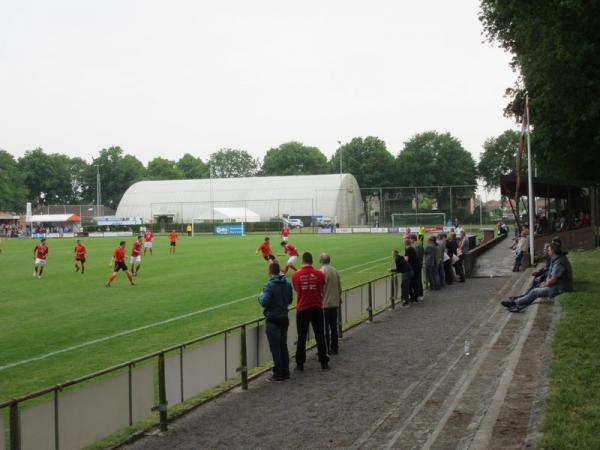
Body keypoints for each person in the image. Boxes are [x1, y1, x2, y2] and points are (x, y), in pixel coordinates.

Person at [502, 242, 572, 312]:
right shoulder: (557, 259)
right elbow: (551, 274)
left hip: (560, 288)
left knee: (535, 292)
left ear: (553, 251)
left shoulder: (559, 263)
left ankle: (515, 303)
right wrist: (545, 282)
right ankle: (517, 306)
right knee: (535, 289)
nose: (547, 251)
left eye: (549, 250)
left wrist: (545, 284)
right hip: (557, 286)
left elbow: (553, 279)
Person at [292, 252, 329, 371]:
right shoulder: (320, 274)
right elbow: (322, 287)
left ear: (302, 261)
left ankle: (300, 364)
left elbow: (297, 289)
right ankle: (323, 362)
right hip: (317, 308)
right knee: (320, 336)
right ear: (312, 261)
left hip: (302, 308)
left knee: (302, 337)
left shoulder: (295, 275)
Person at [259, 261, 293, 382]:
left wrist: (260, 296)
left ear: (270, 272)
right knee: (283, 346)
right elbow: (290, 300)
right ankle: (286, 372)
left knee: (276, 348)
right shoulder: (287, 284)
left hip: (273, 319)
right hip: (284, 318)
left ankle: (278, 373)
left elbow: (264, 302)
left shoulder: (269, 285)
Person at [320, 253, 342, 355]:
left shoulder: (321, 272)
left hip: (325, 304)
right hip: (335, 303)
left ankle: (327, 349)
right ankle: (335, 348)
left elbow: (320, 289)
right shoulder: (335, 270)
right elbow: (339, 287)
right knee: (334, 327)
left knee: (325, 328)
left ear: (321, 261)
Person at [412, 234, 424, 299]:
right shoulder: (420, 245)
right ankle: (420, 294)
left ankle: (418, 295)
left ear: (413, 239)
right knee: (419, 279)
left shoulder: (416, 246)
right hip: (419, 264)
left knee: (416, 280)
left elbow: (416, 257)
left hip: (416, 265)